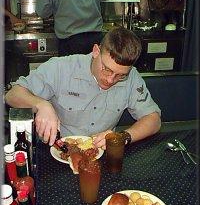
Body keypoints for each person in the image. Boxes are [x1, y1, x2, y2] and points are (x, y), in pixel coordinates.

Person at [5, 27, 161, 149]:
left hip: (101, 154)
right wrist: (41, 105)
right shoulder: (61, 67)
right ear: (96, 51)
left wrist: (122, 137)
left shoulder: (132, 76)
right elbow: (12, 95)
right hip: (56, 150)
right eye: (106, 69)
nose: (110, 79)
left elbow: (154, 120)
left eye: (120, 75)